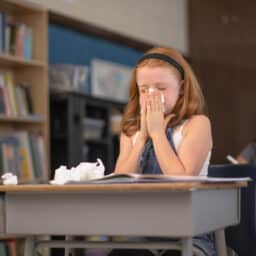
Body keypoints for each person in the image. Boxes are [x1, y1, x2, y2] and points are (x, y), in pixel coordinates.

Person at [108, 47, 215, 256]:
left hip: (190, 235)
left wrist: (157, 134)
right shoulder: (131, 131)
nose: (151, 97)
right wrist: (142, 139)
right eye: (144, 90)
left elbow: (182, 181)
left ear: (181, 89)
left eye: (161, 88)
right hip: (143, 235)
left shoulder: (197, 124)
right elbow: (118, 183)